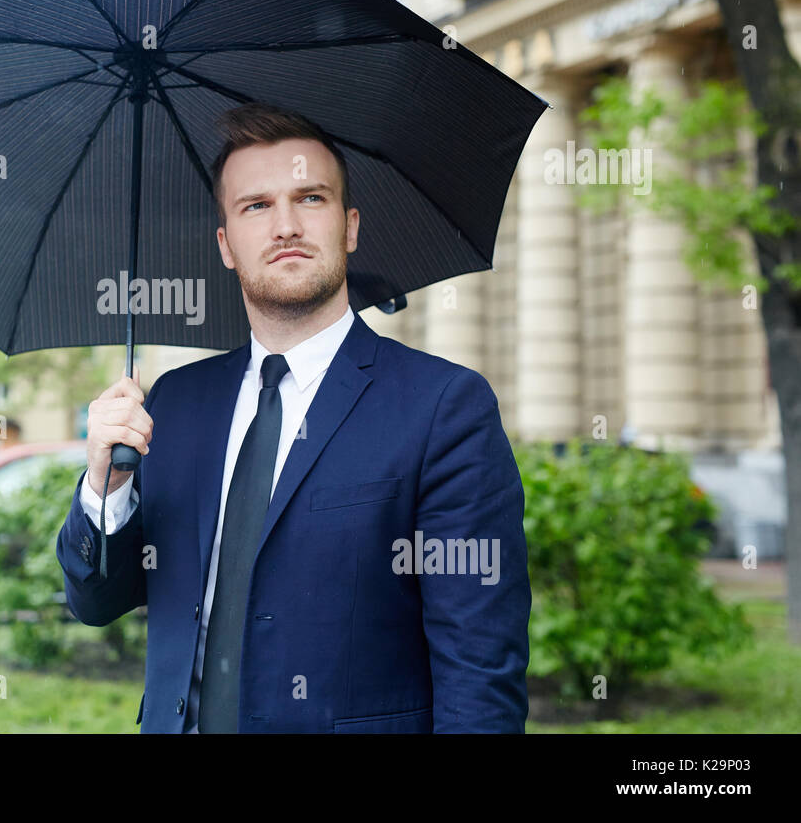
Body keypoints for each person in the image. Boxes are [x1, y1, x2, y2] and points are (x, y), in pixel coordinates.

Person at [55, 102, 530, 733]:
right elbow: (96, 602)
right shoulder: (175, 403)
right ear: (226, 244)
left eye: (310, 198)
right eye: (256, 205)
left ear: (350, 225)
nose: (285, 225)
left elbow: (479, 669)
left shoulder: (443, 408)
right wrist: (104, 490)